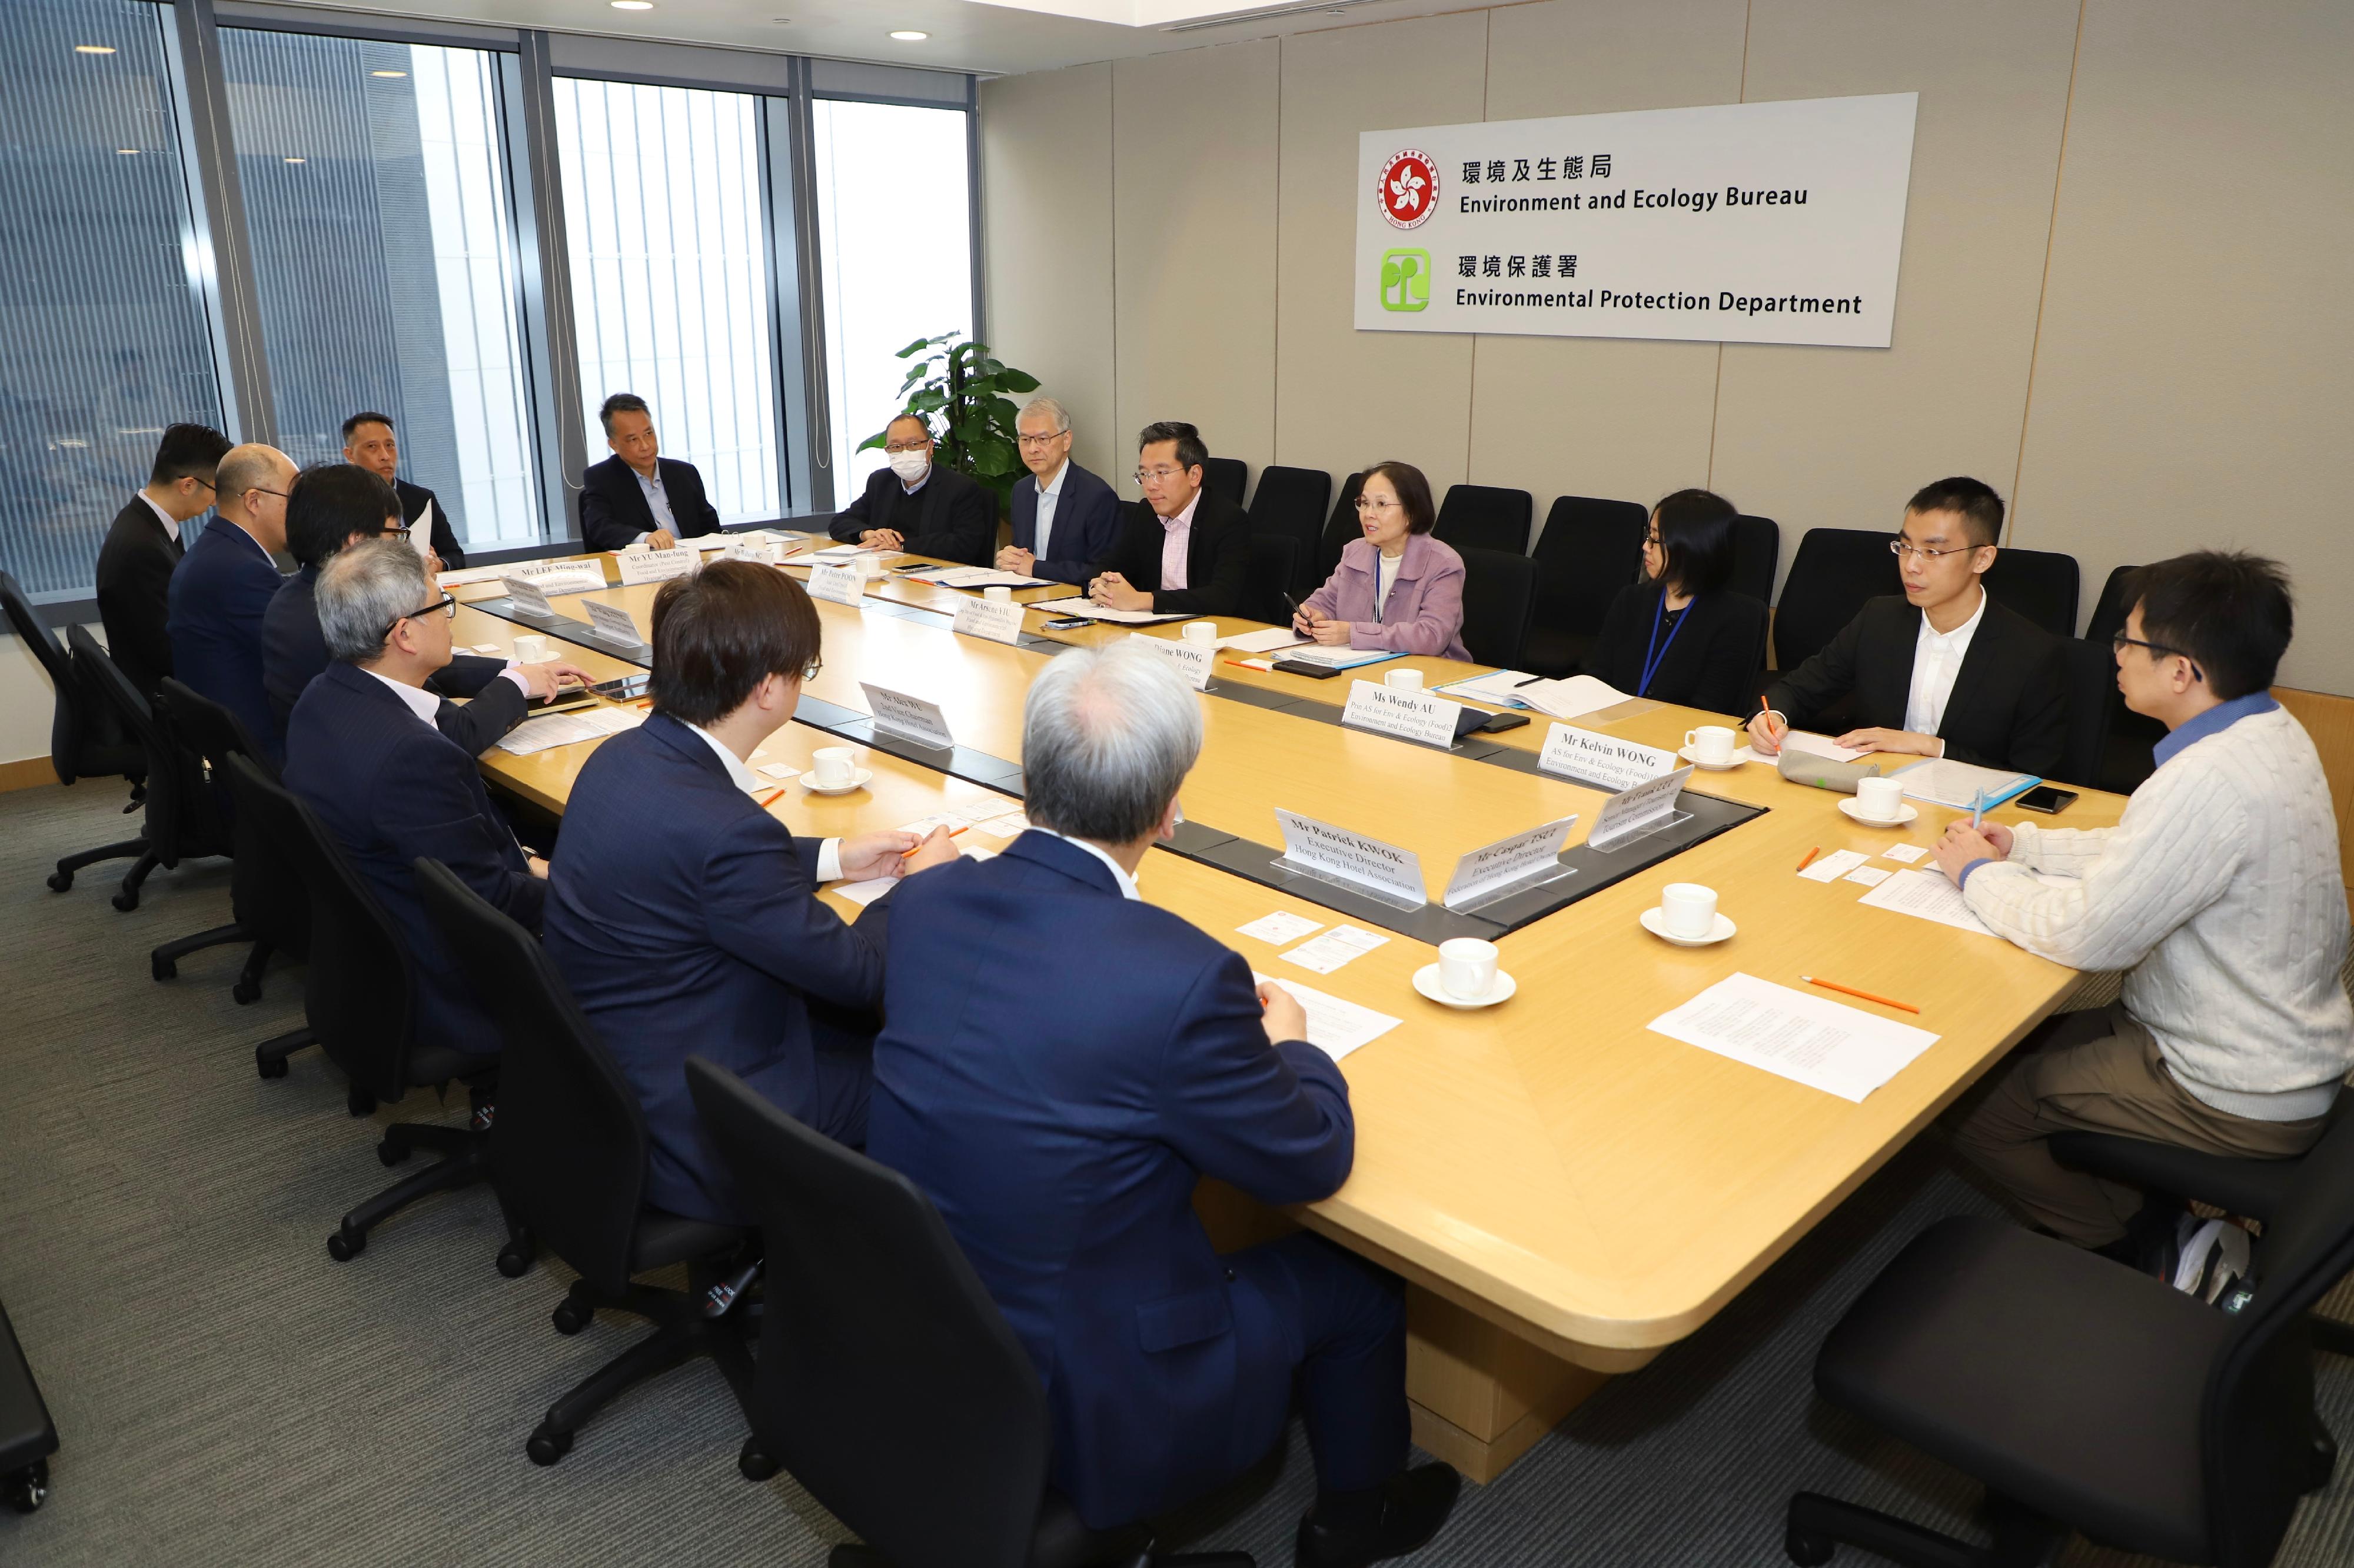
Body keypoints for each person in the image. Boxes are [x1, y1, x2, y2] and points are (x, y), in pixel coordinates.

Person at [865, 642, 1461, 1566]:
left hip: (914, 1323)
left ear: (1033, 778)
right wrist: (1297, 1043)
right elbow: (1312, 1159)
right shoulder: (1180, 978)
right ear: (1170, 811)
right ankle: (1357, 1520)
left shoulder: (927, 900)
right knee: (1363, 1281)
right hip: (1096, 1385)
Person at [1930, 552, 2354, 1260]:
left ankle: (2138, 1250)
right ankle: (2149, 1209)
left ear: (2182, 671)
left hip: (2226, 1082)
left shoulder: (2207, 778)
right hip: (2270, 1041)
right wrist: (2024, 846)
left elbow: (2085, 936)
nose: (2115, 655)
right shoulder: (2265, 732)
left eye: (2128, 641)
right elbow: (2155, 849)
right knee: (2011, 1049)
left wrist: (1977, 876)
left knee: (1967, 1102)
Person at [544, 562, 961, 1224]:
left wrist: (834, 857)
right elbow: (861, 976)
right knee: (951, 1072)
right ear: (768, 688)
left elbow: (695, 863)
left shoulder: (621, 757)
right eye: (805, 671)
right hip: (707, 1119)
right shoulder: (731, 833)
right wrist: (924, 885)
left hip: (622, 1071)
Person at [282, 541, 546, 1062]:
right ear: (404, 633)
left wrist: (531, 863)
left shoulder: (322, 696)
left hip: (371, 953)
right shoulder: (412, 757)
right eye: (441, 605)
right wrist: (593, 891)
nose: (450, 616)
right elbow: (491, 904)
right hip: (450, 981)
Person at [1747, 477, 2066, 776]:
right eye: (1906, 547)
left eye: (1933, 552)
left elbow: (2033, 777)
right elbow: (1797, 689)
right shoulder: (1880, 619)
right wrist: (1771, 716)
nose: (1911, 566)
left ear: (1982, 559)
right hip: (1875, 796)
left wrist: (1932, 748)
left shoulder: (2032, 654)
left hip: (1974, 817)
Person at [262, 463, 583, 753]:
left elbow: (420, 663)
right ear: (358, 542)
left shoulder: (297, 596)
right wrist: (516, 686)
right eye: (397, 535)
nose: (405, 547)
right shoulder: (346, 616)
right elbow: (454, 733)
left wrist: (516, 669)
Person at [1585, 488, 1769, 713]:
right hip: (1613, 734)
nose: (1645, 546)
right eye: (1647, 535)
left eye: (1655, 538)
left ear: (1689, 546)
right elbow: (1597, 679)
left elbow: (1712, 708)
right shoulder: (1631, 600)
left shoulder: (1736, 618)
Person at [167, 442, 294, 763]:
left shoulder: (218, 550)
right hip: (262, 751)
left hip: (230, 744)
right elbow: (298, 662)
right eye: (293, 498)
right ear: (254, 501)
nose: (301, 511)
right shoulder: (242, 571)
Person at [95, 422, 230, 697]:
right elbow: (167, 653)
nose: (215, 502)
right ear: (188, 485)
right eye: (215, 490)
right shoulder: (141, 548)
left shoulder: (144, 521)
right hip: (162, 698)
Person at [1292, 461, 1468, 660]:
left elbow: (1432, 636)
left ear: (1411, 513)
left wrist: (1353, 634)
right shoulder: (1355, 551)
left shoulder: (1443, 563)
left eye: (1381, 504)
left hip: (1426, 676)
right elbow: (1326, 601)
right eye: (1364, 503)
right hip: (1363, 666)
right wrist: (1312, 616)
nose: (1368, 514)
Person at [1086, 421, 1252, 618]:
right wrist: (1100, 584)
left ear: (1194, 475)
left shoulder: (1229, 520)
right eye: (1145, 474)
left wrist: (1143, 600)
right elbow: (1110, 564)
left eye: (1161, 473)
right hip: (1157, 629)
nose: (1150, 485)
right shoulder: (1147, 512)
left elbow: (1222, 598)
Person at [826, 412, 993, 566]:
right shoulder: (881, 482)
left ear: (930, 447)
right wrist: (869, 534)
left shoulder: (959, 487)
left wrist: (901, 545)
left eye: (914, 444)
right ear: (888, 451)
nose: (905, 452)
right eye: (896, 446)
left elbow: (965, 544)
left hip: (938, 581)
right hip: (889, 575)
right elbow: (839, 523)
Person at [996, 396, 1121, 585]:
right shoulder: (1021, 491)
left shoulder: (1097, 496)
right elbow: (1023, 555)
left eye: (1043, 439)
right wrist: (1011, 558)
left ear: (1067, 440)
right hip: (1029, 595)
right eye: (1025, 439)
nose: (1033, 449)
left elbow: (1103, 572)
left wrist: (1036, 568)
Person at [578, 393, 722, 552]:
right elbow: (600, 527)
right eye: (633, 439)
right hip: (643, 570)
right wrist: (645, 538)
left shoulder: (685, 473)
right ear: (614, 445)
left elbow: (711, 529)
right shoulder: (601, 478)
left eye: (649, 434)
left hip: (692, 567)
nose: (646, 446)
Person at [341, 411, 465, 568]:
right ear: (350, 454)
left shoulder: (421, 498)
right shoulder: (338, 504)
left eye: (390, 446)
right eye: (372, 447)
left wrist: (439, 564)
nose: (385, 456)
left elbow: (455, 555)